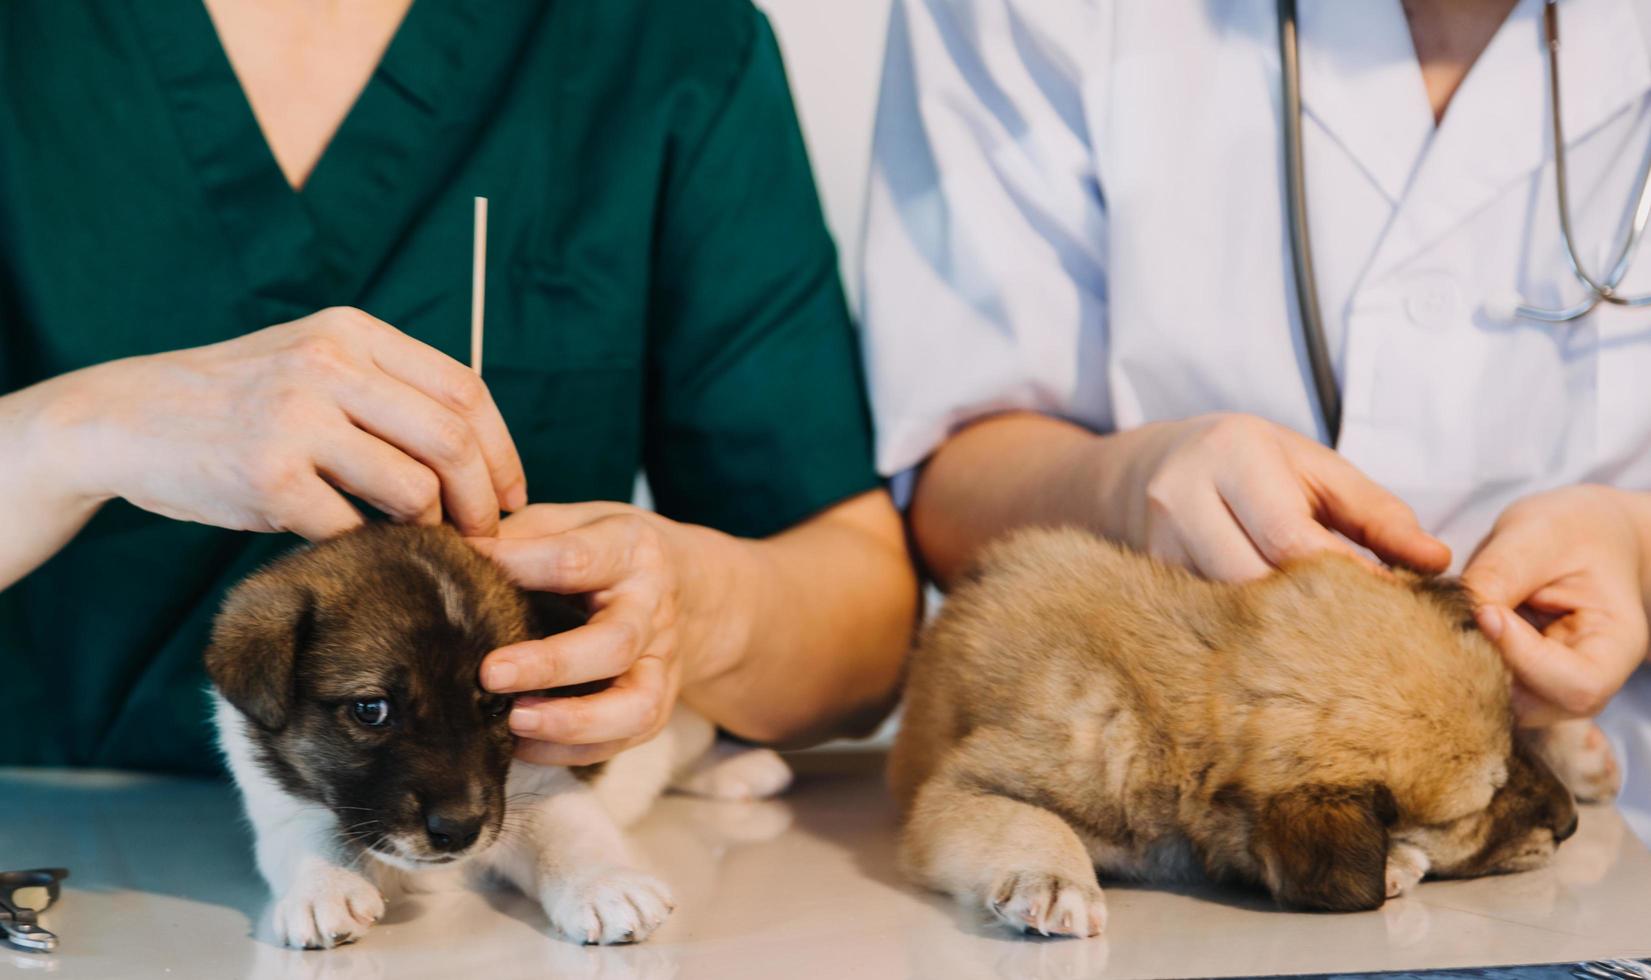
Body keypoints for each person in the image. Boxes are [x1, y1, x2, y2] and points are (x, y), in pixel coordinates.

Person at [0, 0, 917, 773]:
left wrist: (700, 608)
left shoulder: (659, 41)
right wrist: (63, 437)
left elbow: (865, 639)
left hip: (491, 889)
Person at [862, 0, 1651, 838]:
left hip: (1609, 827)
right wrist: (1126, 484)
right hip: (1182, 856)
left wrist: (1638, 549)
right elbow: (951, 485)